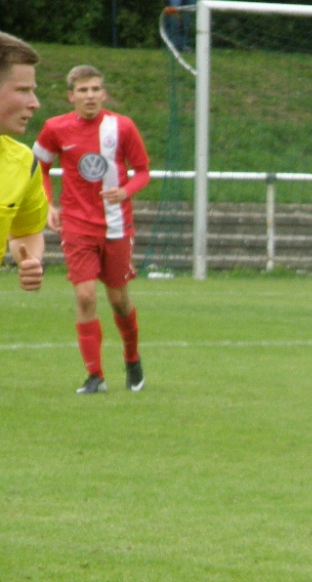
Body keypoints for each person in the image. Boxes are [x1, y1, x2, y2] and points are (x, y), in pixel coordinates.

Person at [33, 65, 151, 394]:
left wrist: (125, 191)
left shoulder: (122, 127)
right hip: (76, 224)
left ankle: (132, 358)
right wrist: (48, 204)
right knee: (85, 296)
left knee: (118, 299)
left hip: (116, 225)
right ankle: (95, 376)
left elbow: (143, 171)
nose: (90, 96)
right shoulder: (54, 128)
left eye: (95, 89)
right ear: (71, 96)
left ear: (104, 94)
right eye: (83, 90)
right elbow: (39, 167)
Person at [0, 32, 46, 293]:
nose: (35, 104)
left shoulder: (23, 162)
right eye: (23, 90)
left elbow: (26, 232)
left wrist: (31, 260)